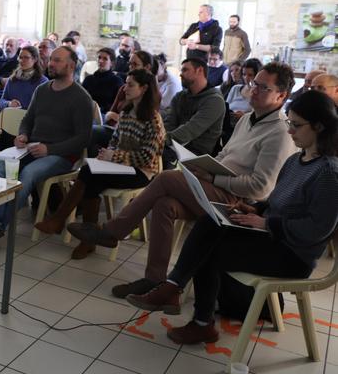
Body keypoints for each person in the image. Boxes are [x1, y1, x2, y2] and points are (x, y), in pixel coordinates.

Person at [125, 90, 338, 345]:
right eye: (290, 123)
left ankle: (197, 318)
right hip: (272, 236)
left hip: (293, 254)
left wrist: (267, 222)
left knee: (210, 251)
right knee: (211, 220)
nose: (290, 130)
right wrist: (257, 210)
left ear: (319, 126)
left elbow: (317, 229)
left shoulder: (328, 173)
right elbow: (277, 200)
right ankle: (173, 287)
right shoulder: (296, 160)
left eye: (296, 125)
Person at [69, 62, 297, 299]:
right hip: (216, 185)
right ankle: (154, 279)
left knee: (166, 177)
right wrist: (203, 166)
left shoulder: (279, 132)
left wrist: (214, 177)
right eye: (254, 84)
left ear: (281, 95)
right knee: (164, 205)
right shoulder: (246, 119)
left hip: (239, 203)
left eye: (263, 87)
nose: (254, 90)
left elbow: (260, 188)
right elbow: (223, 155)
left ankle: (111, 231)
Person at [0, 47, 94, 251]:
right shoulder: (42, 90)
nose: (51, 63)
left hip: (61, 155)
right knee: (0, 169)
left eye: (57, 60)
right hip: (31, 147)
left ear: (71, 65)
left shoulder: (81, 98)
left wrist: (49, 149)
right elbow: (27, 119)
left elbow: (82, 139)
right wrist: (23, 134)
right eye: (51, 60)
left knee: (28, 174)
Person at [36, 69, 165, 259]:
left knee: (89, 174)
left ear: (144, 88)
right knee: (91, 176)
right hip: (120, 166)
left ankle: (62, 223)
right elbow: (115, 139)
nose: (125, 88)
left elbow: (147, 157)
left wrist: (115, 156)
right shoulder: (128, 111)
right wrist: (107, 153)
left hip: (141, 172)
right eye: (126, 83)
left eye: (130, 85)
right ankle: (85, 238)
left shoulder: (153, 120)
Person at [0, 45, 48, 112]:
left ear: (35, 59)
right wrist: (9, 103)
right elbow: (2, 101)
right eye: (20, 57)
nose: (22, 60)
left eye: (26, 58)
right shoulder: (13, 79)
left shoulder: (42, 81)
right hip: (11, 117)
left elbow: (44, 107)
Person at [82, 47, 124, 114]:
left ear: (112, 63)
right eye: (99, 57)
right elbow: (81, 98)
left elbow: (117, 105)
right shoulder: (89, 79)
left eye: (105, 59)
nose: (101, 61)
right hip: (86, 113)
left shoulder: (117, 81)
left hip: (105, 116)